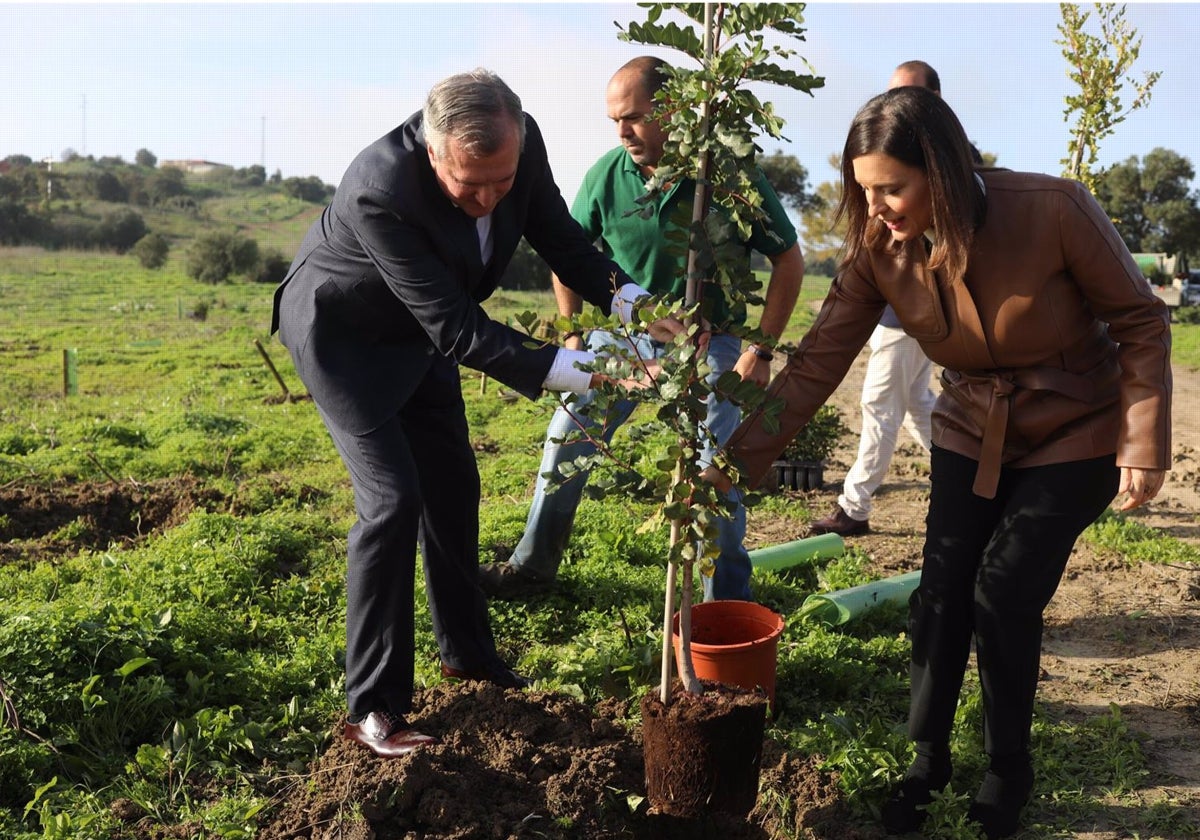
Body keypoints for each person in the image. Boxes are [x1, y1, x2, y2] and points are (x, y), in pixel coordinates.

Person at [722, 87, 1171, 838]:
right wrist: (734, 463)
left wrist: (1144, 439)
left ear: (943, 169)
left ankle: (1006, 771)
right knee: (941, 590)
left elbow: (1140, 319)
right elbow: (817, 363)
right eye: (864, 191)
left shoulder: (1054, 208)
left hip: (1078, 428)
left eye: (891, 188)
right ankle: (924, 760)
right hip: (971, 423)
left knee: (1003, 591)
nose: (877, 208)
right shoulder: (878, 248)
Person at [270, 69, 684, 759]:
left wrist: (636, 305)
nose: (490, 197)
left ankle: (467, 655)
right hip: (347, 339)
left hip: (422, 333)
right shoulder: (380, 186)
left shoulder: (520, 145)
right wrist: (593, 374)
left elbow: (561, 239)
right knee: (393, 501)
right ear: (433, 153)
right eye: (471, 186)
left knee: (454, 484)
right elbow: (458, 328)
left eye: (502, 180)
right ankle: (372, 709)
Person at [478, 56, 805, 602]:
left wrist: (761, 351)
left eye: (632, 116)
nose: (623, 131)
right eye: (614, 121)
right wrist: (574, 336)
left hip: (713, 343)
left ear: (674, 110)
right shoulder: (607, 175)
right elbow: (569, 254)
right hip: (626, 341)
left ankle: (722, 604)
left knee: (714, 475)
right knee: (568, 440)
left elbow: (788, 261)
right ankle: (532, 567)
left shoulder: (727, 174)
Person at [809, 60, 973, 538]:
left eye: (909, 97)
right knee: (919, 403)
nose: (894, 109)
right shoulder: (887, 157)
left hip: (910, 320)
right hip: (895, 315)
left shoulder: (955, 170)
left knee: (880, 405)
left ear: (936, 105)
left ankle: (854, 508)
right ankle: (968, 474)